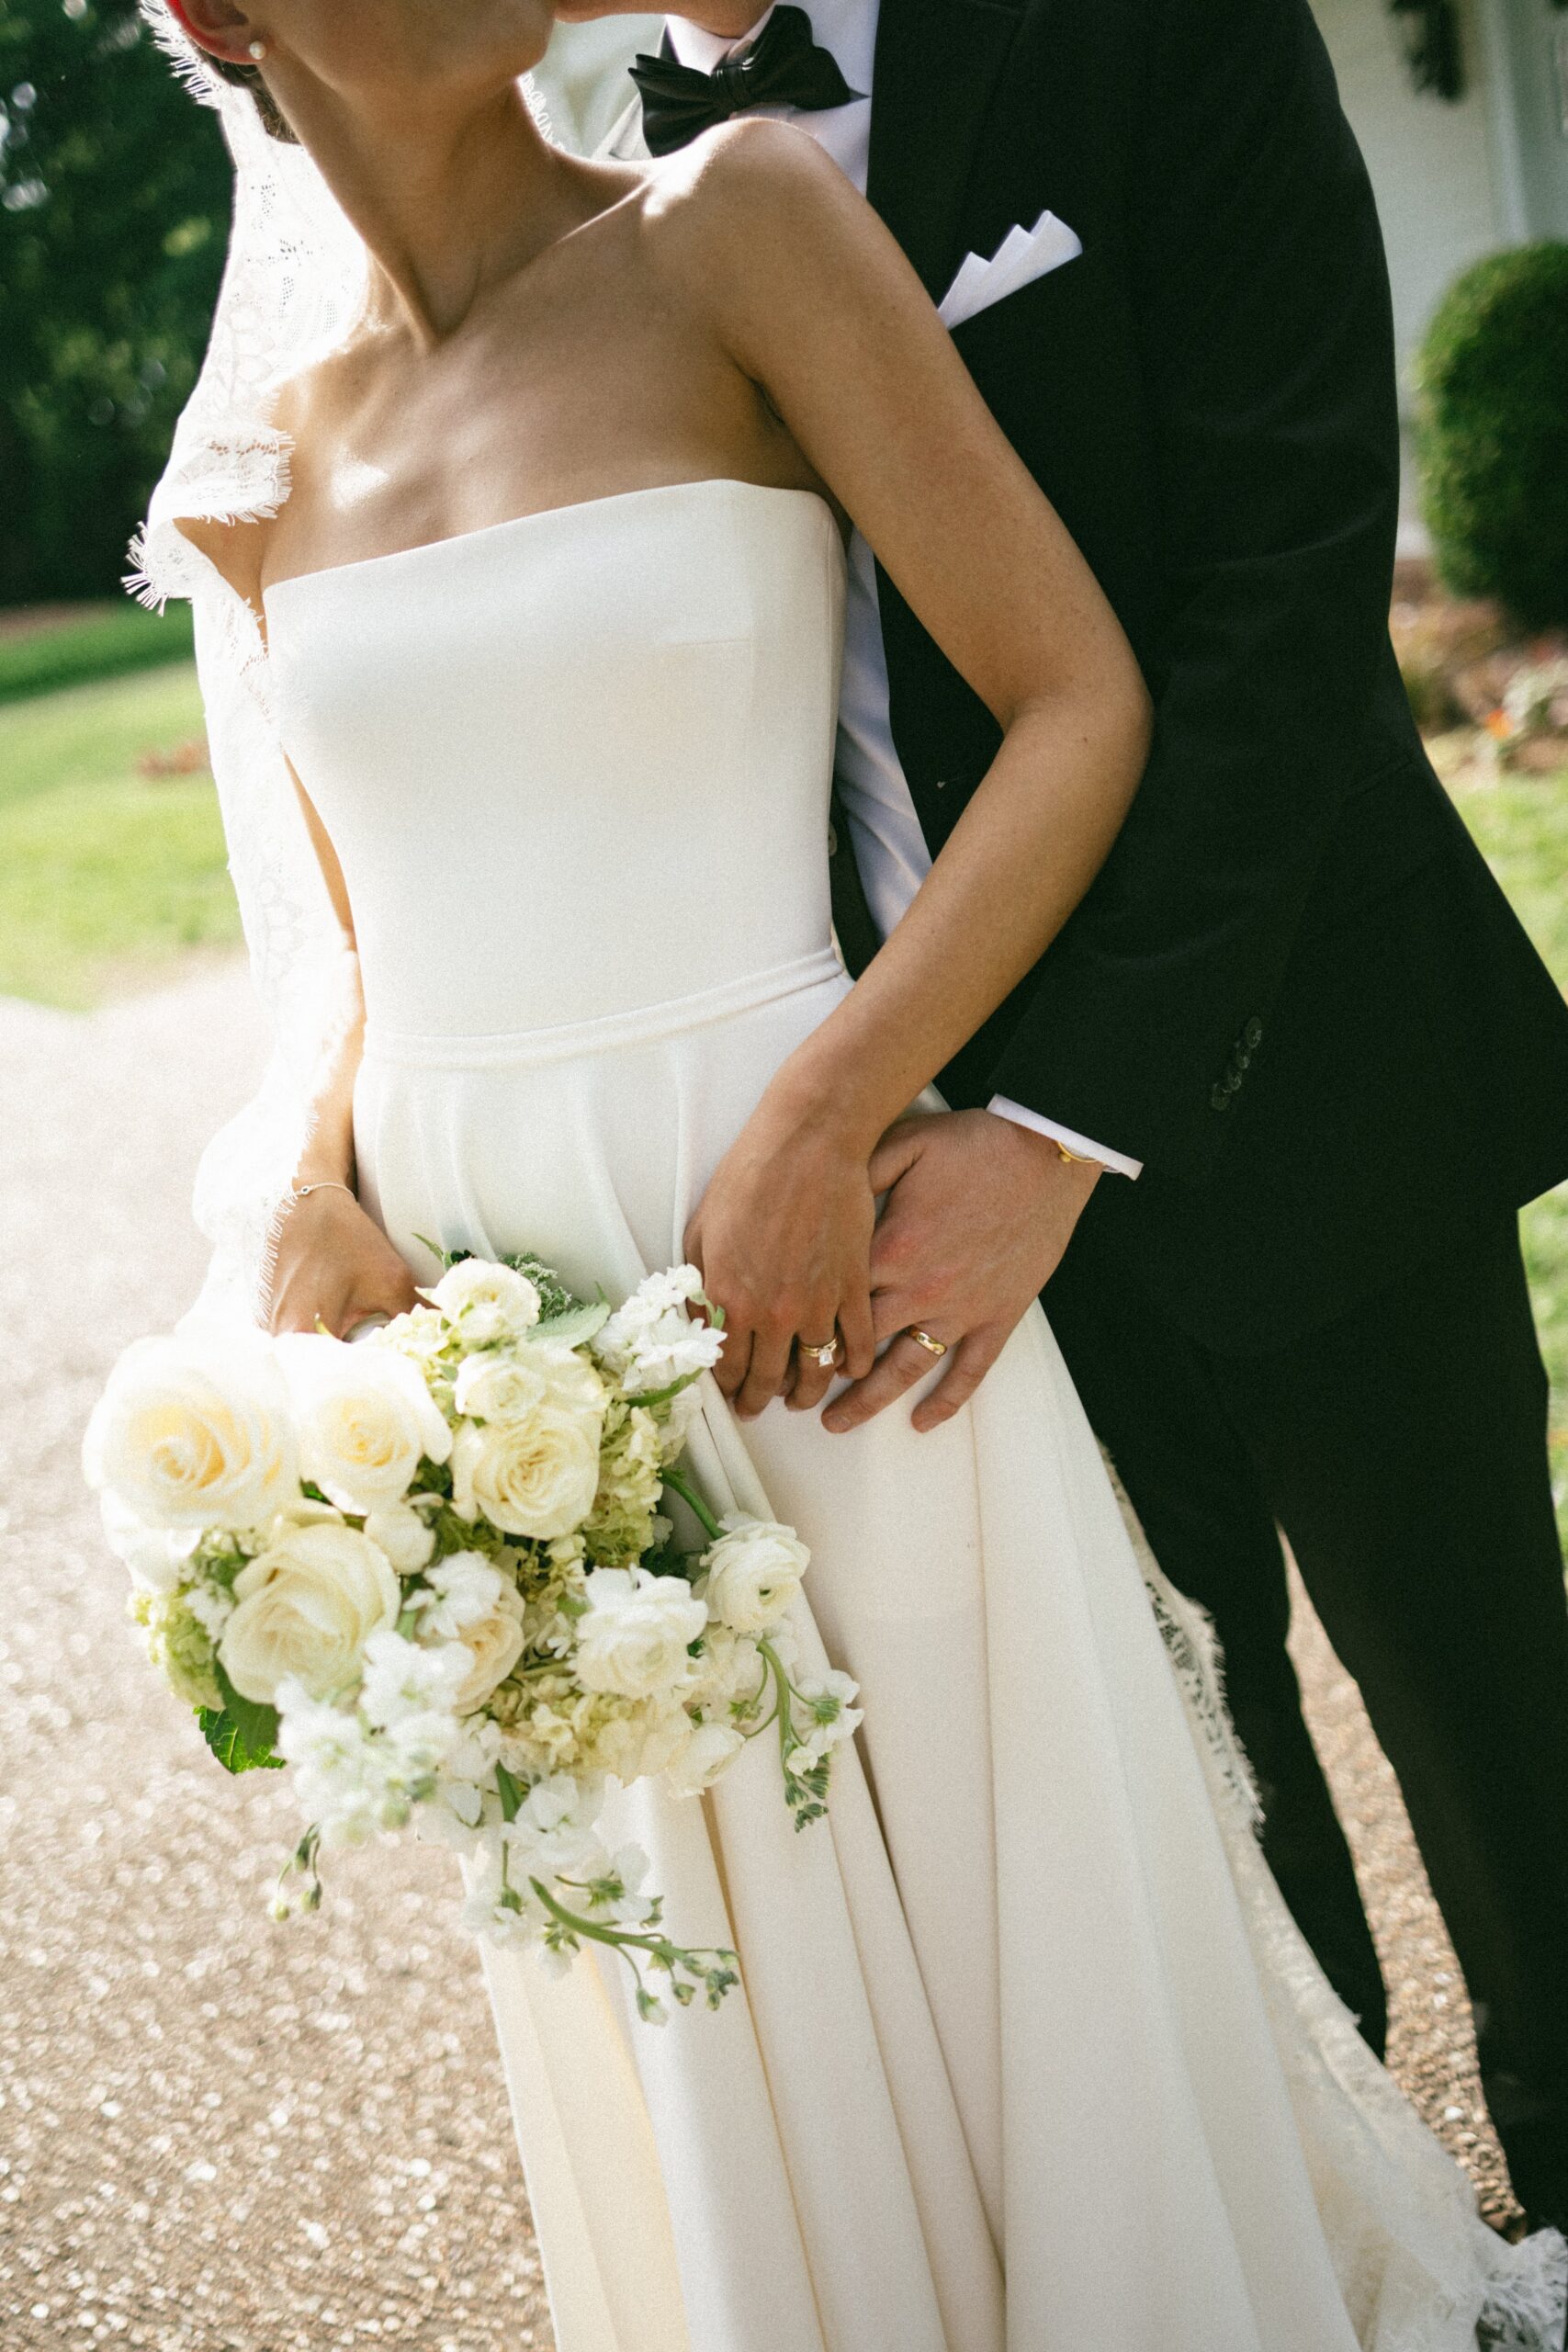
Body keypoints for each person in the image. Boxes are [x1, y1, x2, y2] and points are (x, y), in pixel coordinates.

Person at [133, 0, 1565, 2343]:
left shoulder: (877, 150)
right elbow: (369, 919)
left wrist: (1002, 1112)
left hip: (1228, 1072)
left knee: (1496, 1769)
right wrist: (308, 1169)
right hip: (760, 1239)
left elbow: (1265, 593)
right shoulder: (319, 412)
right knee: (1068, 1892)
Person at [581, 0, 1568, 2233]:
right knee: (1177, 1799)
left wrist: (1055, 1121)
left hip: (1297, 1060)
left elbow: (1284, 592)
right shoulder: (595, 203)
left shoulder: (1141, 29)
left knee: (1493, 1739)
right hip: (899, 1167)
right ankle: (1342, 2256)